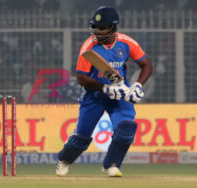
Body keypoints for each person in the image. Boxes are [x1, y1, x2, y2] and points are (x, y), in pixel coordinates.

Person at [56, 6, 153, 177]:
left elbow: (146, 65)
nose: (98, 32)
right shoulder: (89, 47)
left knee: (126, 130)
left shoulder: (127, 43)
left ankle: (111, 165)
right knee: (82, 138)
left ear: (114, 27)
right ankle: (64, 160)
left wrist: (138, 85)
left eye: (102, 28)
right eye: (95, 28)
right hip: (94, 95)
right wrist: (105, 88)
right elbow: (81, 78)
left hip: (119, 94)